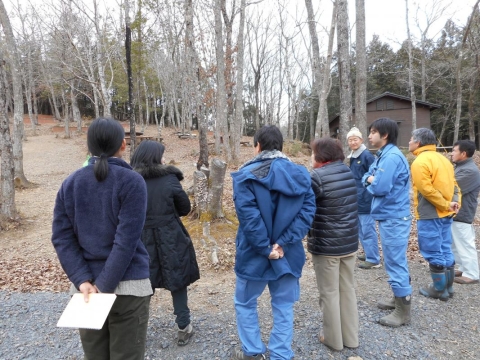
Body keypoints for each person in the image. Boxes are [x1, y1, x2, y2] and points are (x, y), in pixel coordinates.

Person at [51, 117, 152, 360]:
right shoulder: (132, 181)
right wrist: (103, 286)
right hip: (128, 288)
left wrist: (83, 280)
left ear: (89, 146)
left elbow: (62, 237)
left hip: (86, 292)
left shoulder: (70, 183)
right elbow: (126, 241)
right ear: (123, 145)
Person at [231, 125, 316, 360]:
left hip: (253, 254)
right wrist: (283, 243)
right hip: (287, 254)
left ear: (258, 145)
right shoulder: (301, 174)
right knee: (283, 305)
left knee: (245, 302)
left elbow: (249, 217)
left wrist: (265, 247)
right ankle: (280, 354)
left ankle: (252, 351)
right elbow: (307, 213)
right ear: (281, 146)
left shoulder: (245, 175)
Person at [131, 140, 200, 346]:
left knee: (143, 284)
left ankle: (137, 331)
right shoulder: (169, 179)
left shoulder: (131, 180)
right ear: (154, 157)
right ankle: (183, 326)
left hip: (140, 238)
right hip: (170, 235)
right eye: (162, 154)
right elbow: (185, 207)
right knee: (177, 280)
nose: (164, 158)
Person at [308, 137, 359, 351]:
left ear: (321, 156)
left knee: (329, 293)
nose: (311, 157)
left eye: (313, 152)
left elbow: (305, 209)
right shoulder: (346, 171)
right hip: (349, 243)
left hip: (327, 246)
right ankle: (351, 338)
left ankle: (333, 340)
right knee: (347, 289)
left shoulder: (317, 177)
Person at [362, 118, 412, 327]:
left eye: (373, 132)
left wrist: (371, 180)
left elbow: (380, 187)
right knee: (394, 259)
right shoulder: (383, 155)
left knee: (394, 261)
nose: (370, 136)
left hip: (394, 217)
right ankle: (398, 296)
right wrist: (370, 179)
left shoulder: (391, 157)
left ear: (385, 135)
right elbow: (367, 175)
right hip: (388, 215)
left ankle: (403, 311)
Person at [409, 128, 461, 301]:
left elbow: (427, 191)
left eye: (411, 139)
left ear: (418, 142)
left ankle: (439, 289)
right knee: (445, 247)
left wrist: (446, 204)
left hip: (430, 213)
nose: (409, 142)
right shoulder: (444, 159)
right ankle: (449, 287)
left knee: (432, 250)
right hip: (446, 212)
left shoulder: (420, 162)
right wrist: (454, 203)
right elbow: (455, 185)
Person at [346, 126, 380, 269]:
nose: (353, 142)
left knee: (367, 229)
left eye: (355, 139)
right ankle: (368, 253)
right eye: (350, 140)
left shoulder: (366, 155)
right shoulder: (354, 156)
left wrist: (368, 192)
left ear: (361, 140)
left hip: (365, 198)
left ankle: (373, 259)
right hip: (357, 198)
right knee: (360, 228)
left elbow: (374, 175)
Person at [451, 140, 480, 285]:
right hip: (456, 213)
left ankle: (472, 273)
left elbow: (452, 188)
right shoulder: (461, 167)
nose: (452, 153)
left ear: (463, 153)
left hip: (463, 213)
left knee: (465, 243)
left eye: (454, 151)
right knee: (456, 243)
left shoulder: (469, 171)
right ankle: (463, 268)